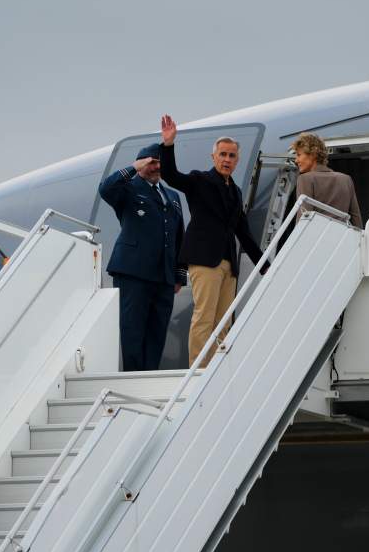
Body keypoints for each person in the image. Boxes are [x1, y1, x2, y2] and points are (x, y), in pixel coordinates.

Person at [157, 114, 264, 367]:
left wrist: (266, 265)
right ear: (213, 157)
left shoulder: (235, 191)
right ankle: (199, 370)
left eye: (231, 156)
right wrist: (168, 145)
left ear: (237, 160)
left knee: (224, 322)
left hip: (229, 265)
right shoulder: (199, 181)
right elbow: (171, 175)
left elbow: (244, 233)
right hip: (205, 261)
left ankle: (217, 369)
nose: (227, 159)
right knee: (204, 317)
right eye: (223, 154)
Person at [98, 143, 186, 372]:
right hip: (133, 272)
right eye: (151, 162)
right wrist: (134, 167)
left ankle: (149, 377)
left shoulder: (172, 196)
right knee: (133, 330)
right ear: (141, 164)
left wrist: (179, 274)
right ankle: (133, 379)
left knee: (157, 332)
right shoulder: (128, 189)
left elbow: (179, 235)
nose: (156, 167)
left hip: (163, 277)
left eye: (159, 162)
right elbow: (105, 189)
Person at [291, 132, 363, 228]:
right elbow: (356, 220)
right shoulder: (346, 179)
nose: (296, 160)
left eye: (299, 155)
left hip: (316, 236)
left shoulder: (305, 179)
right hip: (342, 236)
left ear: (312, 154)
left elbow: (304, 218)